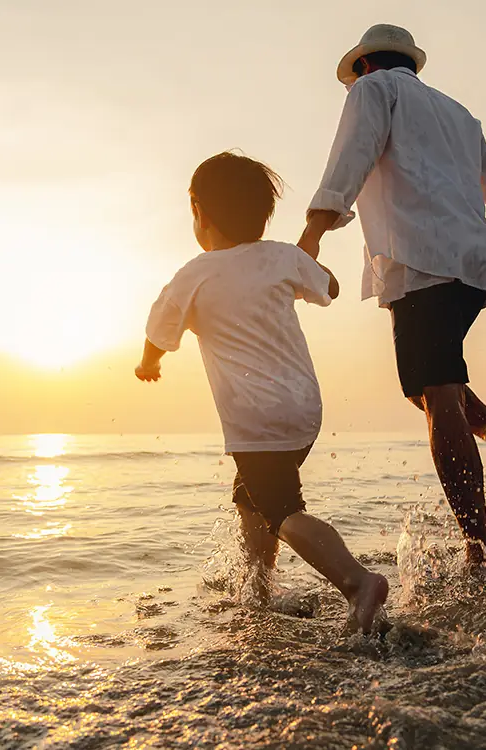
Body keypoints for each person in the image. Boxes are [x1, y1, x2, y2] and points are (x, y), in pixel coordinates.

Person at [297, 24, 486, 577]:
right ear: (410, 63)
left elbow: (350, 160)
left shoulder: (372, 93)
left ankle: (482, 551)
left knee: (435, 392)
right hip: (469, 265)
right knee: (425, 382)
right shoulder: (459, 115)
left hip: (422, 260)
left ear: (365, 66)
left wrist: (310, 239)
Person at [137, 152, 388, 633]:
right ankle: (259, 587)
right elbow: (328, 288)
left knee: (282, 510)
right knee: (251, 496)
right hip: (304, 410)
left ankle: (357, 582)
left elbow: (158, 333)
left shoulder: (193, 275)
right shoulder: (281, 256)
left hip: (257, 420)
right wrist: (301, 269)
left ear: (199, 213)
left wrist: (147, 365)